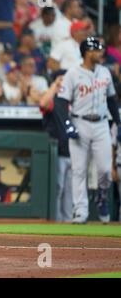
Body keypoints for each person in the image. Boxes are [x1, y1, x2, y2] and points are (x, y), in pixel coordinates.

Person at [56, 37, 121, 224]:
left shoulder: (105, 73)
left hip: (101, 124)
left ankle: (102, 197)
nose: (100, 53)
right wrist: (67, 125)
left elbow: (111, 100)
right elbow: (60, 102)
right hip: (80, 122)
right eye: (96, 49)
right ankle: (80, 210)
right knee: (78, 170)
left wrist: (118, 121)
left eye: (100, 49)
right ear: (86, 52)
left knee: (105, 170)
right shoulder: (73, 73)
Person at [39, 70, 73, 221]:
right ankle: (57, 222)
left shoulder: (73, 98)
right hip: (58, 151)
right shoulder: (55, 98)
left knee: (71, 191)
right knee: (58, 188)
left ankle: (69, 221)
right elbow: (43, 103)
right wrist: (55, 84)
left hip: (75, 151)